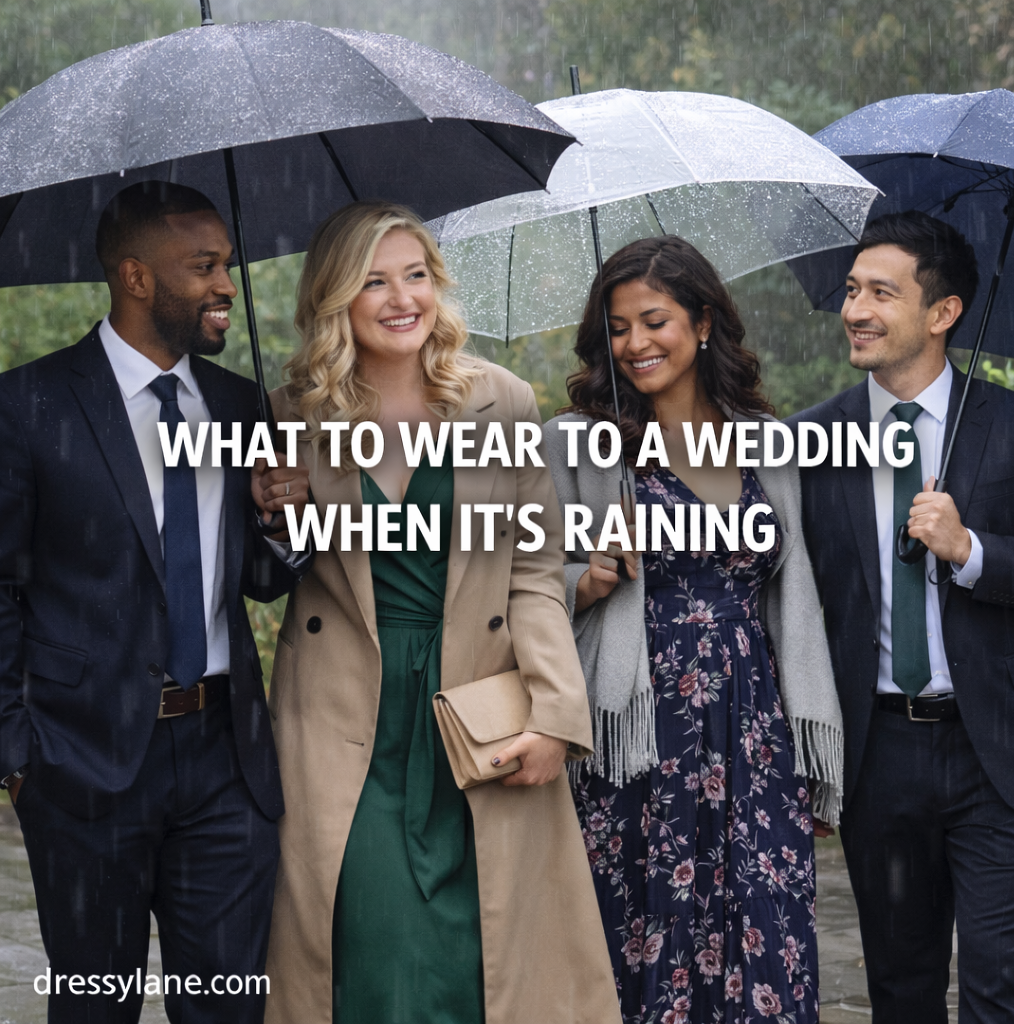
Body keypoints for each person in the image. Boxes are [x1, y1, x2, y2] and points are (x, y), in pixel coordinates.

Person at [262, 200, 620, 1024]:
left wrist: (558, 714)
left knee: (479, 958)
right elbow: (262, 573)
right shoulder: (290, 414)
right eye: (373, 281)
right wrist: (273, 507)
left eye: (416, 276)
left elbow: (534, 570)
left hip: (474, 709)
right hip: (344, 717)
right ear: (334, 299)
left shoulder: (501, 400)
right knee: (369, 952)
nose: (402, 299)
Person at [0, 180, 311, 1023]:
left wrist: (285, 522)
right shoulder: (27, 406)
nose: (225, 285)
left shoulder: (242, 404)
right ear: (136, 278)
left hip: (224, 764)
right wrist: (19, 757)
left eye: (227, 264)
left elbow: (261, 579)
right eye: (204, 266)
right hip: (81, 761)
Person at [544, 235, 844, 1024]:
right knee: (641, 940)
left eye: (654, 320)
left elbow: (794, 595)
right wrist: (586, 576)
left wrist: (811, 741)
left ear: (703, 321)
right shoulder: (577, 444)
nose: (634, 343)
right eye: (616, 327)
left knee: (768, 933)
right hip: (639, 731)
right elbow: (514, 581)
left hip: (754, 730)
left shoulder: (765, 441)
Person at [793, 211, 1014, 1024]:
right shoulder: (808, 443)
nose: (856, 308)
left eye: (881, 293)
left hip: (998, 752)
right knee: (900, 987)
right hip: (878, 752)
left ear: (942, 313)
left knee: (1003, 988)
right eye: (852, 290)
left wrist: (971, 550)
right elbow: (786, 595)